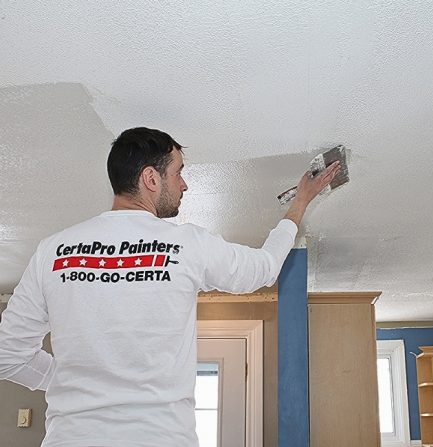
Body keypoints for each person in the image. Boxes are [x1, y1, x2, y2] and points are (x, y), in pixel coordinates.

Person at [0, 127, 340, 447]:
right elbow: (263, 268)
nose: (184, 184)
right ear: (151, 178)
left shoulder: (53, 250)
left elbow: (8, 356)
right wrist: (300, 204)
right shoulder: (186, 244)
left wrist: (69, 384)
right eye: (178, 172)